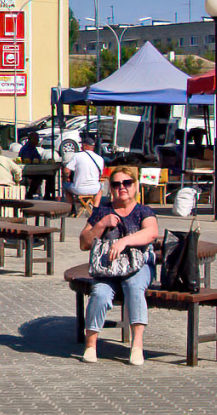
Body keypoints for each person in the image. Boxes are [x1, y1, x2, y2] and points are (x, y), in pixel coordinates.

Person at [78, 167, 159, 365]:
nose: (122, 187)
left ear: (135, 186)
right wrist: (101, 224)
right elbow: (84, 242)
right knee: (100, 293)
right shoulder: (102, 211)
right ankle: (91, 345)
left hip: (137, 265)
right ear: (110, 188)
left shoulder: (143, 211)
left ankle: (137, 346)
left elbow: (151, 233)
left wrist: (124, 241)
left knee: (134, 286)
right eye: (116, 184)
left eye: (127, 183)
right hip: (108, 268)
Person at [63, 134, 105, 211]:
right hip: (94, 189)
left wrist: (67, 177)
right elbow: (101, 174)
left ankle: (71, 207)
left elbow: (66, 170)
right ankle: (95, 208)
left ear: (85, 145)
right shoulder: (100, 159)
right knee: (101, 188)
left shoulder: (77, 156)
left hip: (78, 189)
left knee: (65, 185)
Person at [19, 132, 51, 199]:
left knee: (48, 176)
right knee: (46, 176)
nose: (38, 141)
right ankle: (33, 193)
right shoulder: (27, 149)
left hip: (34, 169)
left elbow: (38, 158)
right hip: (29, 170)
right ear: (31, 139)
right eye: (37, 139)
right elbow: (31, 160)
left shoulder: (32, 148)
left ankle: (46, 194)